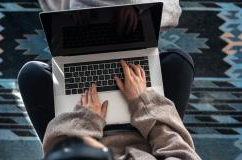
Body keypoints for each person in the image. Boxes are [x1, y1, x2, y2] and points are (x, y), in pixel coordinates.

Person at [18, 0, 201, 159]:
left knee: (31, 74)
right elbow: (180, 152)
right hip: (146, 132)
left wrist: (86, 119)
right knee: (177, 61)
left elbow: (58, 152)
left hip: (81, 130)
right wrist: (143, 101)